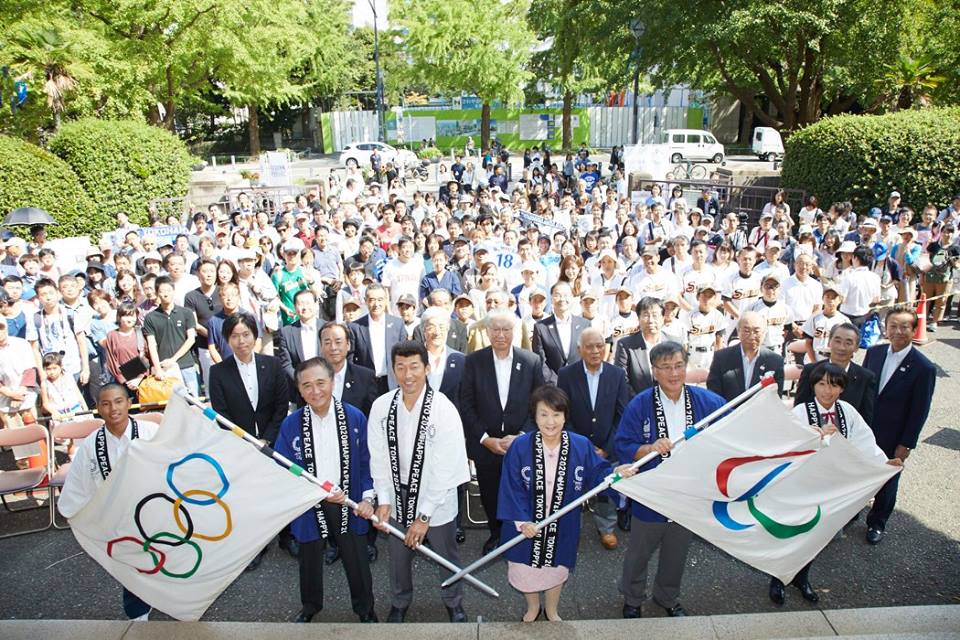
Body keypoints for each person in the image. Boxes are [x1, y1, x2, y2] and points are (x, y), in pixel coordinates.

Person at [499, 384, 636, 622]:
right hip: (526, 521)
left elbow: (598, 474)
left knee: (557, 567)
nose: (550, 422)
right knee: (525, 569)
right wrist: (523, 522)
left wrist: (616, 473)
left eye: (556, 414)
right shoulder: (520, 447)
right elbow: (511, 486)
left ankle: (552, 609)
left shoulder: (580, 445)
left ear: (565, 416)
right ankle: (532, 607)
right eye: (544, 414)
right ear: (534, 415)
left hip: (562, 522)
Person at [771, 362, 901, 605]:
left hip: (831, 485)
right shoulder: (801, 411)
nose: (827, 391)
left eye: (833, 385)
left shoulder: (848, 412)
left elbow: (864, 444)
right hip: (802, 484)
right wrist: (815, 435)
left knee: (817, 534)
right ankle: (778, 579)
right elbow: (787, 445)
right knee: (792, 533)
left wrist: (882, 464)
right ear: (813, 386)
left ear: (842, 388)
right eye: (821, 384)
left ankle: (802, 577)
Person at [615, 341, 726, 618]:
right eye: (665, 367)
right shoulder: (640, 404)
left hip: (688, 492)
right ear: (654, 371)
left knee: (676, 552)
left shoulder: (707, 402)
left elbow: (734, 426)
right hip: (652, 491)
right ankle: (632, 597)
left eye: (678, 366)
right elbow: (623, 444)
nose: (673, 373)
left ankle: (667, 597)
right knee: (640, 551)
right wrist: (650, 448)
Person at [368, 341, 471, 623]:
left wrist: (423, 516)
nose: (407, 374)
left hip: (435, 497)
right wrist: (383, 499)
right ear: (393, 370)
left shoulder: (443, 409)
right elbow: (377, 457)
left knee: (445, 554)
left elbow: (444, 469)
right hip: (397, 493)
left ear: (427, 368)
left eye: (414, 366)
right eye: (400, 367)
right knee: (398, 557)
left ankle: (453, 601)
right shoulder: (381, 407)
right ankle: (400, 602)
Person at [273, 357, 378, 623]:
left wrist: (367, 497)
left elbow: (368, 462)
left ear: (332, 381)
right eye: (307, 385)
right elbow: (283, 468)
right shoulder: (291, 424)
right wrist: (308, 491)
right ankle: (310, 607)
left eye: (321, 382)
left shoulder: (354, 417)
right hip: (310, 503)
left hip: (348, 499)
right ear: (299, 389)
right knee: (308, 558)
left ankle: (365, 608)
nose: (315, 391)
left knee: (356, 559)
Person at [58, 384, 159, 620]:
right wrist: (84, 516)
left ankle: (172, 601)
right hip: (117, 519)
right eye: (105, 403)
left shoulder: (150, 432)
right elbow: (78, 485)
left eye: (118, 401)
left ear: (129, 402)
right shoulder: (91, 445)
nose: (113, 408)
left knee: (167, 562)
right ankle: (138, 612)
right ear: (98, 409)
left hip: (155, 511)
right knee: (130, 566)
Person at [207, 312, 290, 569]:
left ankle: (287, 538)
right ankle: (256, 545)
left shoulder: (272, 364)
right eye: (235, 336)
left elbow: (280, 405)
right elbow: (221, 414)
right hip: (239, 444)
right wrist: (246, 441)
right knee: (249, 496)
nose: (241, 340)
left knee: (279, 491)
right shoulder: (218, 372)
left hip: (272, 440)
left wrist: (268, 438)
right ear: (227, 340)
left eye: (246, 334)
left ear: (255, 336)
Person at [460, 310, 545, 554]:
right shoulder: (473, 361)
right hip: (487, 443)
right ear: (487, 332)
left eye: (506, 329)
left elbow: (540, 403)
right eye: (495, 329)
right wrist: (485, 439)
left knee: (523, 489)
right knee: (490, 491)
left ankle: (521, 533)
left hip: (521, 442)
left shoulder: (531, 361)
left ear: (514, 332)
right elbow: (465, 403)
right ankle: (496, 534)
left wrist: (522, 436)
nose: (500, 335)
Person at [861, 306, 936, 544]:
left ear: (914, 330)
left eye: (905, 326)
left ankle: (877, 523)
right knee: (857, 472)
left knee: (888, 478)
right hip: (865, 429)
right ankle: (850, 513)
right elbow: (863, 390)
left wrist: (907, 443)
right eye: (893, 326)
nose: (898, 331)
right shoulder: (874, 353)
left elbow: (919, 411)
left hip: (894, 434)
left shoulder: (924, 368)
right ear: (886, 328)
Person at [556, 328, 631, 550]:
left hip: (608, 446)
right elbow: (563, 414)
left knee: (607, 489)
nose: (596, 351)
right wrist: (584, 447)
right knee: (573, 488)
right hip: (577, 446)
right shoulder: (566, 374)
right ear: (580, 350)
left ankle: (606, 528)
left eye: (600, 345)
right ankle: (571, 530)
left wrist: (607, 448)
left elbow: (622, 414)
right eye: (589, 346)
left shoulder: (616, 374)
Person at [794, 323, 877, 424]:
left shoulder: (865, 377)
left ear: (856, 347)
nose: (841, 347)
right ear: (829, 342)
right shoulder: (810, 371)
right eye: (837, 341)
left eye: (848, 343)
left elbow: (866, 418)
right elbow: (799, 409)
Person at [142, 275, 200, 396]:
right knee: (172, 403)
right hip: (164, 368)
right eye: (162, 291)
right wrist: (157, 368)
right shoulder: (150, 317)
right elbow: (151, 344)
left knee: (194, 401)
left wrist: (173, 360)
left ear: (173, 291)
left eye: (168, 290)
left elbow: (191, 339)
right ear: (157, 293)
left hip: (186, 365)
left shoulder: (186, 313)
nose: (165, 294)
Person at [707, 311, 785, 400]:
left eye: (756, 331)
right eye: (747, 331)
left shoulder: (775, 361)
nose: (752, 336)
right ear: (738, 331)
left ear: (764, 333)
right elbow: (713, 395)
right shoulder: (721, 358)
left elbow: (776, 399)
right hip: (729, 412)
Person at [348, 283, 405, 394]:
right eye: (372, 300)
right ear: (365, 301)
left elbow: (404, 356)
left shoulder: (398, 324)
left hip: (392, 383)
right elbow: (351, 359)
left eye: (380, 299)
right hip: (365, 385)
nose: (376, 304)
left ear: (386, 300)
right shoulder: (355, 327)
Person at [532, 281, 591, 384]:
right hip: (553, 387)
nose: (562, 299)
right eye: (558, 295)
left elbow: (589, 355)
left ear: (572, 297)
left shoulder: (585, 324)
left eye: (566, 295)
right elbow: (541, 361)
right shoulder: (541, 327)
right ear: (551, 299)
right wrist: (553, 382)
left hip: (581, 382)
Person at [277, 289, 322, 405]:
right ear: (295, 307)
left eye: (308, 303)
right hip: (299, 392)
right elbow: (286, 363)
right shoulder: (286, 332)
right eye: (300, 304)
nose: (304, 307)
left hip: (326, 387)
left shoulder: (327, 328)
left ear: (316, 305)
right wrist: (302, 382)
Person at [614, 297, 665, 396]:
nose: (650, 320)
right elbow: (622, 381)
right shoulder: (625, 345)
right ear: (638, 319)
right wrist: (641, 402)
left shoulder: (674, 342)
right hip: (638, 405)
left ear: (663, 318)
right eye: (646, 315)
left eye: (655, 315)